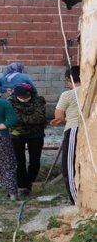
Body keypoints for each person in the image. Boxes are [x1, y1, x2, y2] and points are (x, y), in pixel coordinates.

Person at [8, 83, 46, 198]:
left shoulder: (39, 100)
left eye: (25, 96)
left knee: (35, 162)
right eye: (20, 96)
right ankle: (22, 186)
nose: (23, 98)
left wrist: (22, 119)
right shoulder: (10, 101)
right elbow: (13, 118)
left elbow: (39, 118)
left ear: (29, 94)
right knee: (19, 162)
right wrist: (29, 119)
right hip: (16, 135)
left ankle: (29, 184)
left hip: (36, 134)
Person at [50, 66, 81, 204]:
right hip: (89, 129)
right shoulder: (91, 90)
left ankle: (76, 201)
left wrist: (63, 119)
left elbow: (58, 115)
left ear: (69, 79)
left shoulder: (68, 94)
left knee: (69, 167)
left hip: (74, 129)